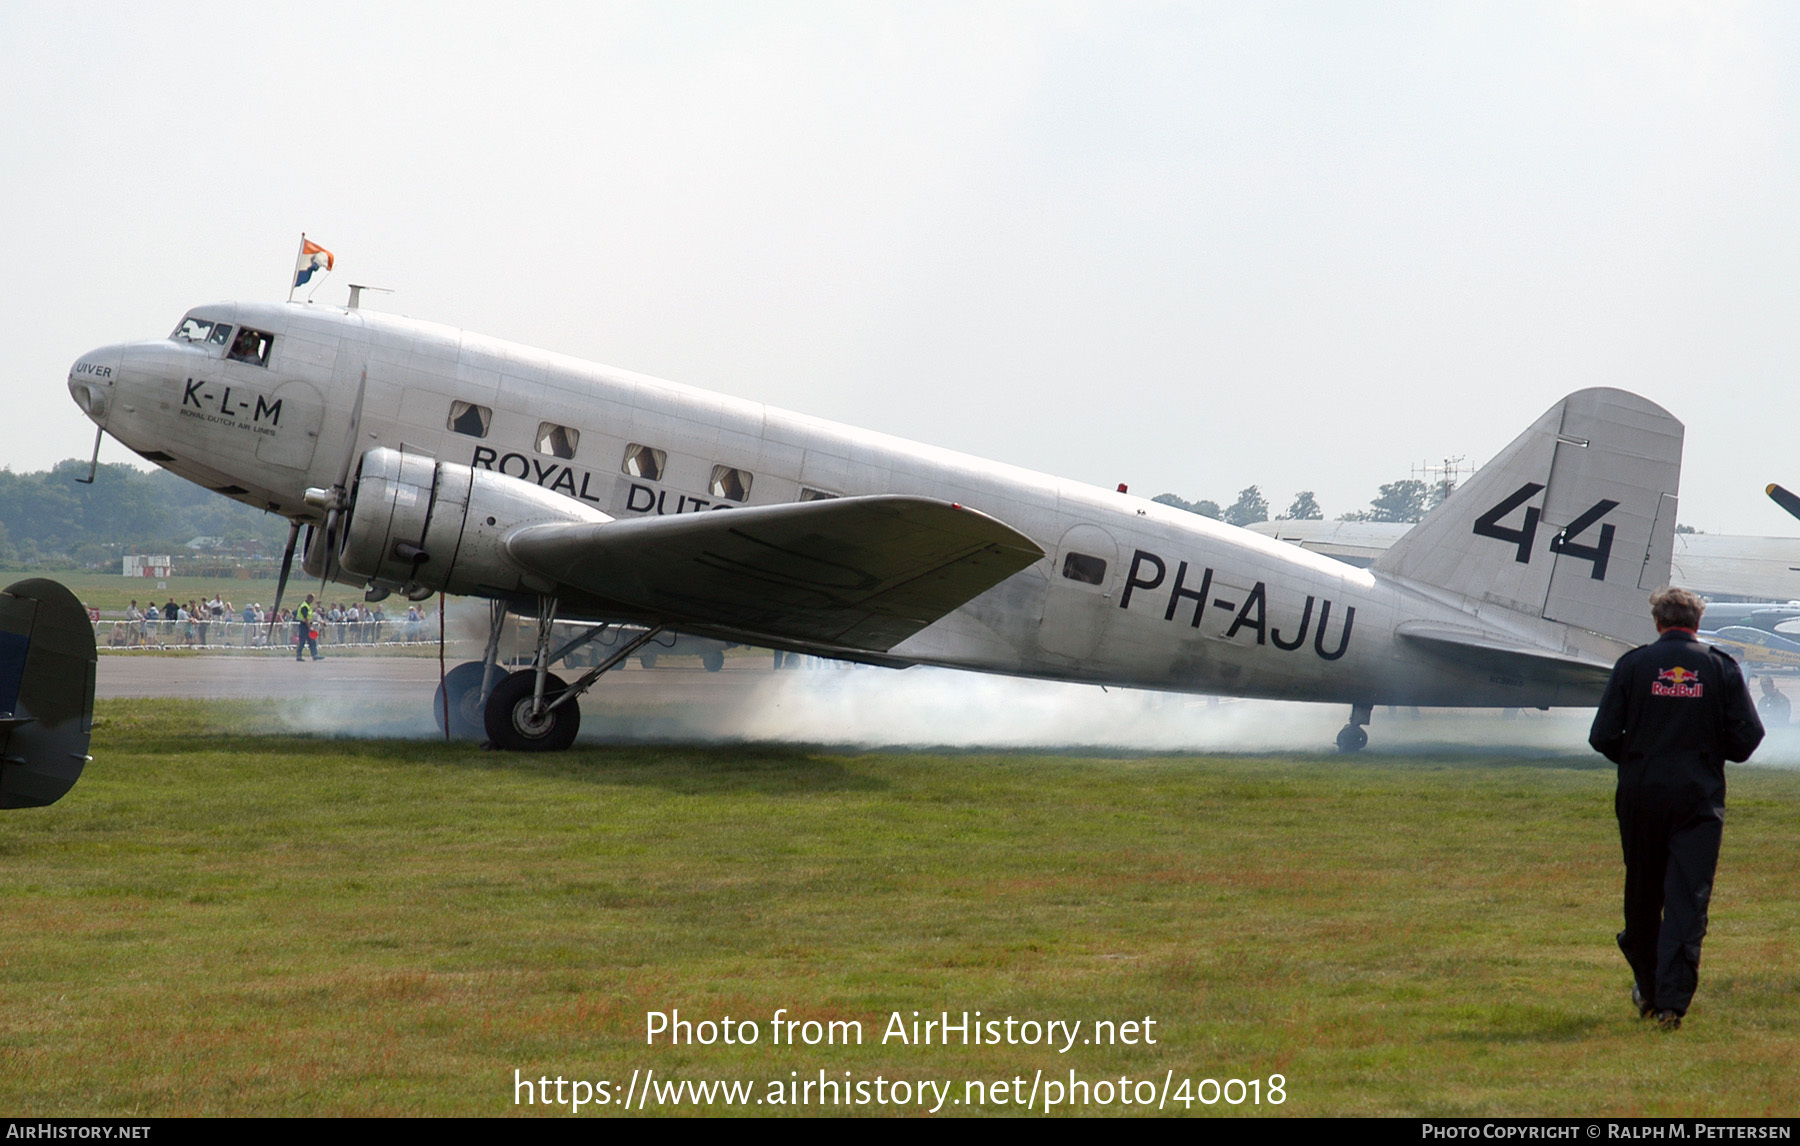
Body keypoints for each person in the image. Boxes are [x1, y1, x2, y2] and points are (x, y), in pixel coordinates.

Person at [1589, 587, 1763, 1031]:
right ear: (1697, 623)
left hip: (1642, 794)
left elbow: (1603, 734)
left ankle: (1647, 987)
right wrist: (1705, 753)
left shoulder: (1633, 664)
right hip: (1697, 798)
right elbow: (1747, 738)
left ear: (1658, 622)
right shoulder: (1721, 667)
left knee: (1643, 895)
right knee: (1688, 899)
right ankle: (1671, 1003)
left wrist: (1638, 757)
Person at [295, 593, 322, 662]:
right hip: (304, 626)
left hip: (307, 625)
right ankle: (299, 656)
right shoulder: (305, 606)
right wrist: (310, 628)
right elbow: (306, 617)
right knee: (302, 641)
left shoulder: (307, 605)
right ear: (310, 599)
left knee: (312, 641)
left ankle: (315, 655)